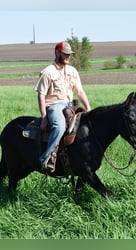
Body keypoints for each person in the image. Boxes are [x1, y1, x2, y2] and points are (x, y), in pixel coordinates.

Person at [34, 41, 91, 172]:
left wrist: (88, 108)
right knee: (59, 127)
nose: (68, 57)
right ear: (57, 53)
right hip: (54, 106)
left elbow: (80, 91)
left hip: (71, 105)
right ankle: (46, 158)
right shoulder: (48, 72)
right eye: (65, 54)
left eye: (69, 55)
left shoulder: (72, 71)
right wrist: (44, 117)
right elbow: (41, 95)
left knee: (86, 126)